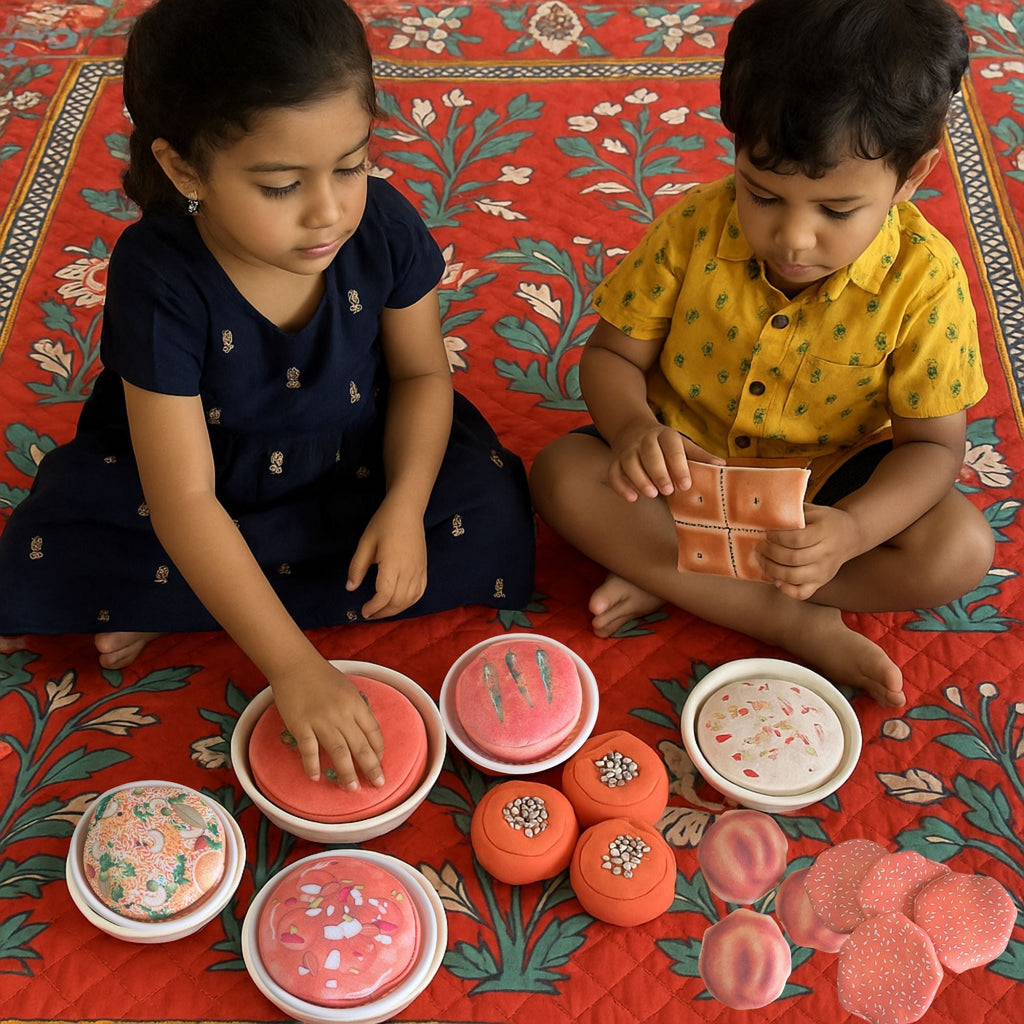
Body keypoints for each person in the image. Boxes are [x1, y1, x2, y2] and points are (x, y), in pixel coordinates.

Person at [0, 0, 534, 786]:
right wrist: (296, 667)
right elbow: (182, 498)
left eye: (351, 165)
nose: (330, 211)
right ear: (185, 170)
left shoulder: (379, 224)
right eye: (282, 185)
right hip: (203, 483)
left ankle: (181, 603)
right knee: (62, 554)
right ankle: (193, 595)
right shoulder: (158, 278)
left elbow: (424, 376)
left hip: (353, 456)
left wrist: (405, 507)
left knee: (489, 506)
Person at [530, 0, 993, 708]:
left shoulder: (926, 285)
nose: (793, 238)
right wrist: (632, 431)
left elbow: (932, 447)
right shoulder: (693, 227)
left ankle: (679, 578)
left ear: (912, 175)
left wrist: (852, 531)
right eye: (762, 194)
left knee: (961, 549)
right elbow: (612, 358)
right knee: (561, 475)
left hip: (824, 493)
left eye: (837, 211)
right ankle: (784, 617)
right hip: (682, 474)